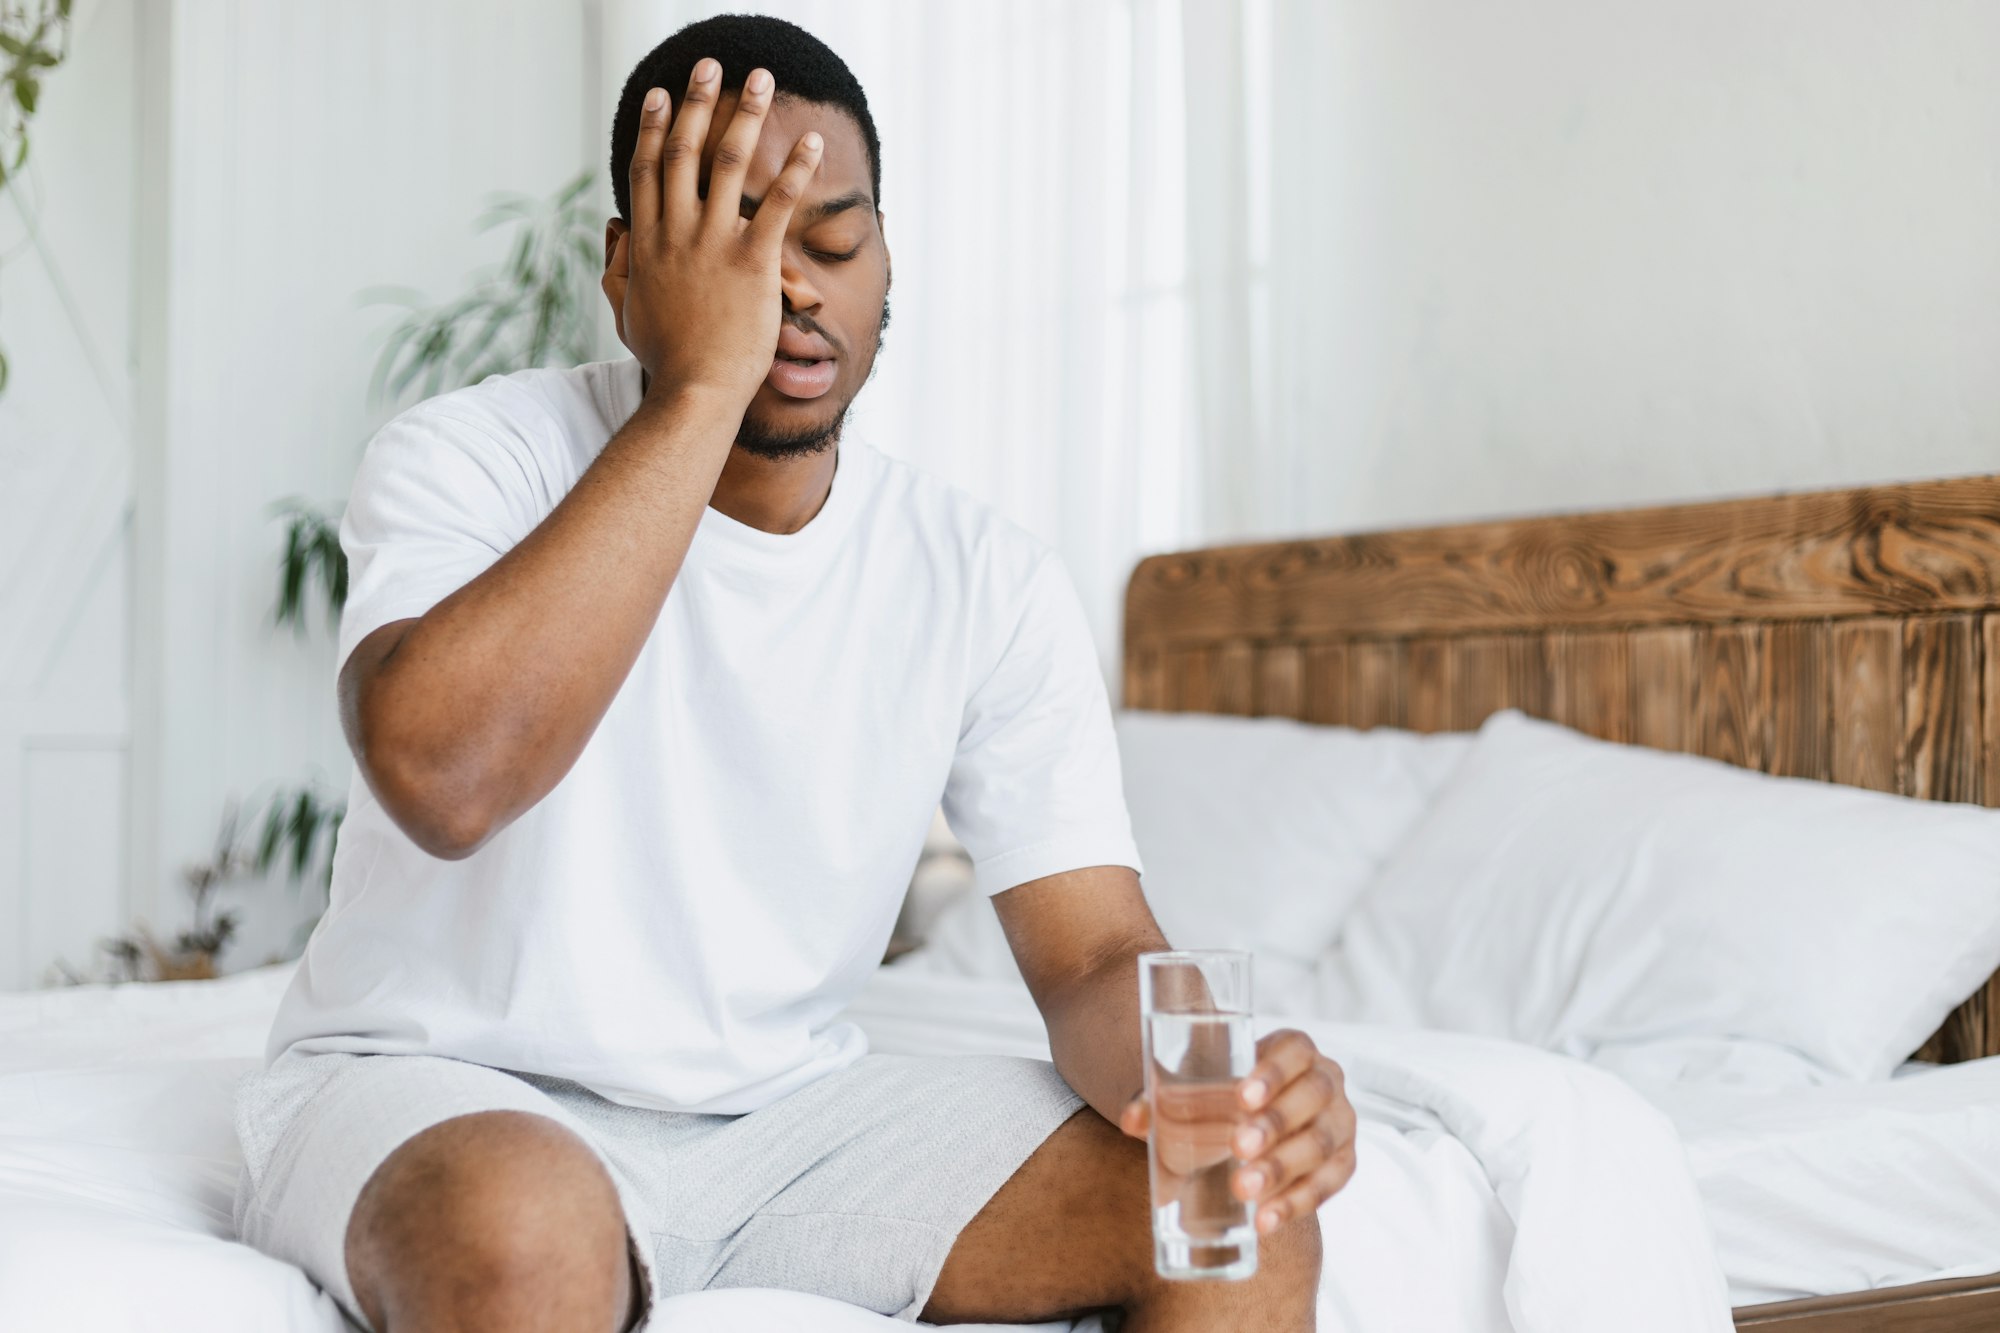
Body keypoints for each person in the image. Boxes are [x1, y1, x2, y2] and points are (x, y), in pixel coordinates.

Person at [232, 14, 1356, 1332]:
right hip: (441, 1087)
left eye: (834, 241)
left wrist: (1215, 1091)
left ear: (889, 257)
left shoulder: (982, 573)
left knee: (1230, 1211)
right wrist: (701, 387)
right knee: (529, 1229)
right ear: (626, 269)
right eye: (734, 241)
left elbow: (1097, 954)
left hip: (790, 1129)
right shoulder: (472, 459)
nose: (797, 290)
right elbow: (446, 776)